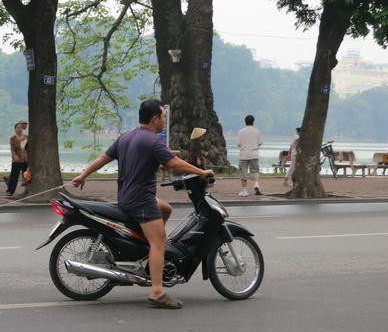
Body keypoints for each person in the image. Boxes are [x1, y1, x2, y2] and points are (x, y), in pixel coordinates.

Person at [72, 99, 213, 310]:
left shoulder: (126, 137)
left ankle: (147, 249)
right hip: (141, 201)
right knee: (160, 243)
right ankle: (157, 291)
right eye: (163, 117)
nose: (164, 121)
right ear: (155, 119)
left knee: (166, 208)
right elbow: (174, 163)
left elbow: (103, 158)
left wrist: (83, 175)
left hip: (126, 197)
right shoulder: (152, 141)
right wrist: (201, 172)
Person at [237, 115, 263, 196]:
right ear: (253, 121)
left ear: (245, 121)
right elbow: (260, 143)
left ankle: (245, 191)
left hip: (243, 154)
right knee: (255, 170)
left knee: (243, 172)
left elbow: (238, 144)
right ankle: (256, 184)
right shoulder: (257, 131)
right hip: (254, 154)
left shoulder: (241, 131)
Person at [5, 120, 29, 197]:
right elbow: (12, 149)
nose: (19, 129)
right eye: (18, 127)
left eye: (21, 127)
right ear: (15, 129)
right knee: (14, 176)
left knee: (26, 175)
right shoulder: (13, 138)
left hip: (25, 159)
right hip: (17, 160)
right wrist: (14, 156)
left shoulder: (26, 137)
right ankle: (10, 191)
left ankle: (27, 190)